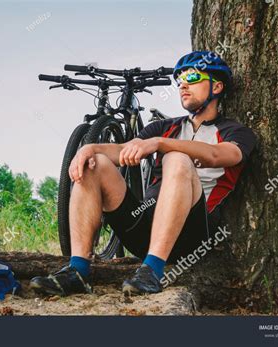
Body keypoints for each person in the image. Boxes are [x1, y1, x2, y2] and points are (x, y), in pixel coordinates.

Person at [30, 51, 257, 296]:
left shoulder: (236, 131)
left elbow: (219, 155)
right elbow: (122, 151)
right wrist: (89, 148)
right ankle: (77, 271)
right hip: (144, 228)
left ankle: (152, 271)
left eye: (192, 77)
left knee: (177, 159)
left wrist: (160, 144)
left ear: (217, 85)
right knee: (93, 163)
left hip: (191, 235)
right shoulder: (166, 127)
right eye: (179, 80)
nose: (183, 85)